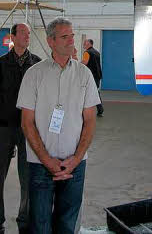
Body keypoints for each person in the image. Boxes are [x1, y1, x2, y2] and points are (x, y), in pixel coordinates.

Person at [17, 18, 100, 234]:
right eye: (65, 37)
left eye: (72, 35)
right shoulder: (34, 74)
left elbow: (90, 121)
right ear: (51, 41)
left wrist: (76, 159)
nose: (71, 40)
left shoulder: (84, 74)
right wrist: (47, 161)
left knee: (66, 224)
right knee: (40, 224)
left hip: (76, 164)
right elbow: (27, 122)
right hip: (40, 165)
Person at [0, 22, 41, 234]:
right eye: (23, 33)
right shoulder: (1, 64)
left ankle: (24, 221)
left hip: (28, 130)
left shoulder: (37, 64)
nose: (27, 36)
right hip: (4, 127)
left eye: (29, 34)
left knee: (28, 178)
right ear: (12, 37)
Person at [81, 39, 103, 117]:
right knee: (95, 92)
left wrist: (76, 65)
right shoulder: (97, 52)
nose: (84, 44)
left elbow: (84, 63)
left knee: (86, 92)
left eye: (85, 43)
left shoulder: (87, 52)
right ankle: (100, 110)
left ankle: (84, 110)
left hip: (91, 76)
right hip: (97, 75)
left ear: (90, 44)